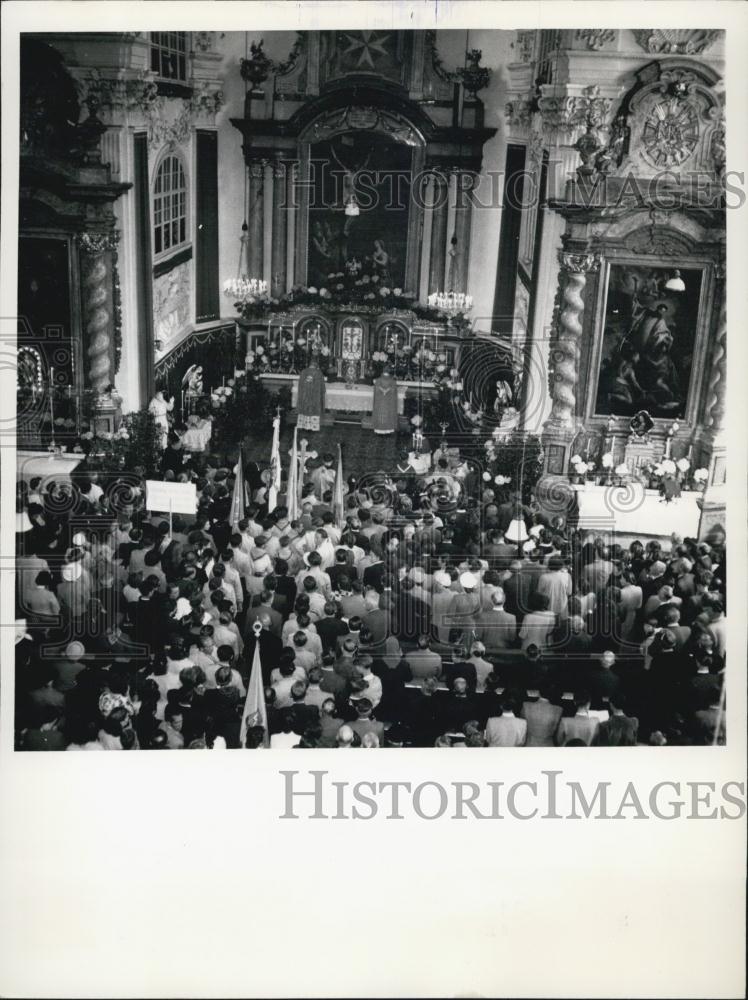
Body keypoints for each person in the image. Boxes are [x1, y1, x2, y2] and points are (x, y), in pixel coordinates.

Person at [296, 359, 326, 432]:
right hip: (315, 398)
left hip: (304, 397)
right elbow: (323, 388)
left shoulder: (303, 372)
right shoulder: (319, 373)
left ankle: (303, 426)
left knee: (305, 409)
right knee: (313, 410)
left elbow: (300, 386)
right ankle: (313, 427)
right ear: (316, 365)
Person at [371, 366, 398, 435]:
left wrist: (382, 390)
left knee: (380, 413)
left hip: (380, 401)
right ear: (389, 372)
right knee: (389, 413)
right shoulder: (393, 380)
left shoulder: (378, 380)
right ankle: (388, 430)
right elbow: (393, 389)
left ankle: (379, 430)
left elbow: (377, 388)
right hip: (389, 401)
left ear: (382, 371)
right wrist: (387, 390)